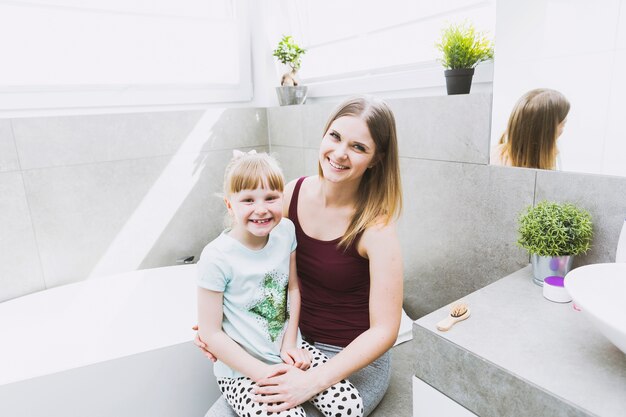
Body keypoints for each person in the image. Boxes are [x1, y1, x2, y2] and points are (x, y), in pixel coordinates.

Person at [196, 96, 404, 417]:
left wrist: (311, 383)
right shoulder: (291, 193)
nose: (339, 153)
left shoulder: (376, 228)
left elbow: (385, 331)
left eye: (358, 147)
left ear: (376, 159)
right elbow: (252, 266)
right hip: (283, 344)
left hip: (348, 357)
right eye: (334, 136)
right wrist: (219, 326)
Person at [196, 150, 364, 417]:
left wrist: (290, 345)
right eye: (248, 200)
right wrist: (262, 372)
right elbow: (211, 334)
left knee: (350, 405)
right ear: (230, 205)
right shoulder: (217, 257)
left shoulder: (285, 231)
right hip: (242, 372)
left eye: (271, 198)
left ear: (281, 198)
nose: (261, 209)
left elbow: (293, 289)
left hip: (290, 350)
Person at [492, 88, 570, 170]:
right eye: (563, 124)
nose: (562, 130)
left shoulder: (495, 155)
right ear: (546, 133)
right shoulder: (500, 163)